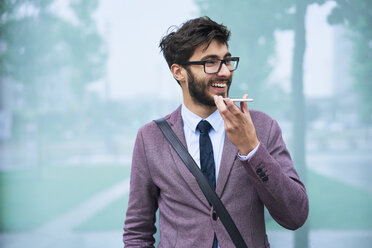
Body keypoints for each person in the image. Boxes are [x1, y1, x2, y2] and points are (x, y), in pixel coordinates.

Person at [123, 16, 309, 248]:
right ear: (178, 71)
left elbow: (295, 215)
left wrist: (252, 149)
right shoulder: (150, 138)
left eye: (227, 61)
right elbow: (137, 232)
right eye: (210, 62)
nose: (225, 72)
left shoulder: (262, 127)